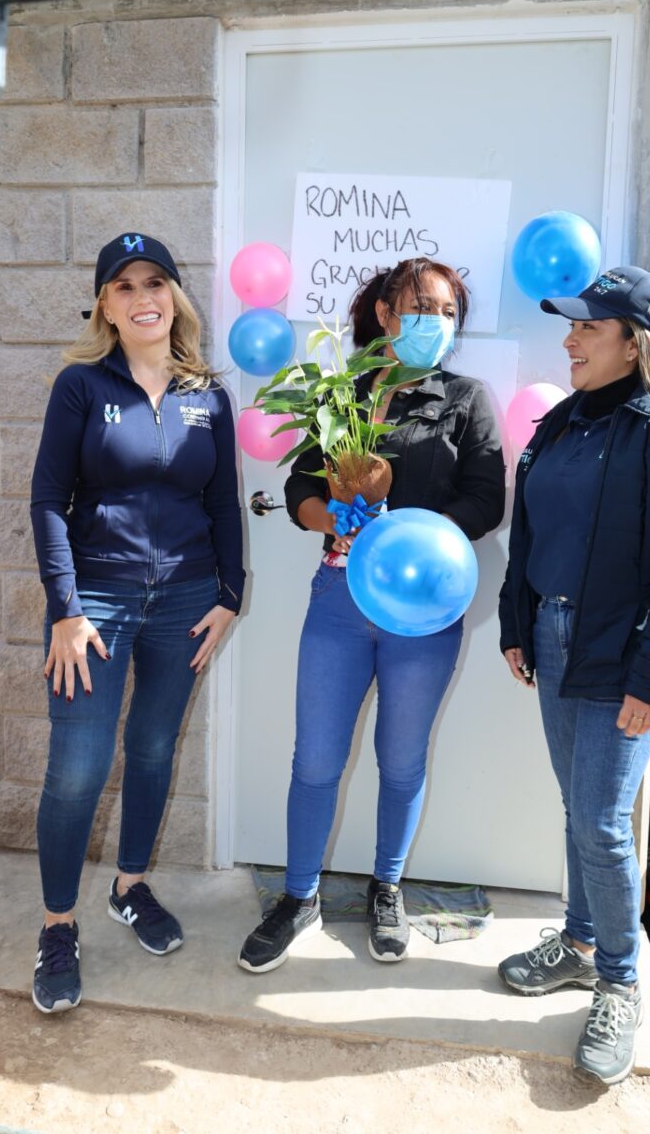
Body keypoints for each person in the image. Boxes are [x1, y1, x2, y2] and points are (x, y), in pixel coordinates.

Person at [238, 256, 505, 973]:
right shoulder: (342, 395)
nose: (436, 323)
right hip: (339, 601)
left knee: (402, 759)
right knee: (317, 758)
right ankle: (298, 897)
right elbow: (298, 488)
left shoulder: (466, 398)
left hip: (426, 612)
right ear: (385, 314)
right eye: (422, 307)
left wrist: (405, 535)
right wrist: (339, 518)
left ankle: (388, 887)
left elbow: (488, 498)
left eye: (448, 311)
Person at [498, 266, 650, 1085]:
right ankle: (581, 937)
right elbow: (526, 534)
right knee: (577, 804)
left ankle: (621, 982)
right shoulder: (561, 423)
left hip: (622, 655)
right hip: (555, 640)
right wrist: (516, 623)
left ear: (636, 341)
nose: (570, 339)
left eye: (587, 328)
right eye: (572, 327)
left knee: (599, 818)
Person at [30, 233, 244, 1014]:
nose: (142, 295)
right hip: (98, 605)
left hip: (187, 603)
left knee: (153, 748)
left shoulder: (207, 394)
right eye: (123, 286)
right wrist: (66, 609)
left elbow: (221, 501)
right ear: (106, 307)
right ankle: (58, 925)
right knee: (79, 767)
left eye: (155, 281)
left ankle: (130, 887)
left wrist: (232, 593)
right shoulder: (81, 387)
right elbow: (49, 500)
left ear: (176, 296)